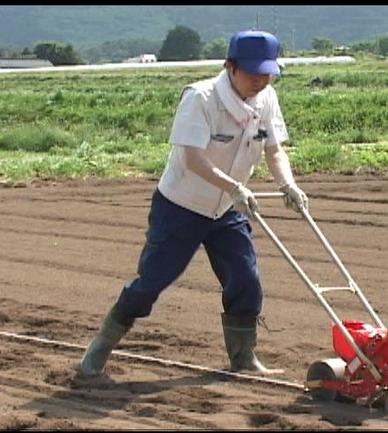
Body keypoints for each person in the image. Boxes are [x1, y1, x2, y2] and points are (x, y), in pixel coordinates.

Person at [78, 30, 309, 377]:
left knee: (246, 278)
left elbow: (274, 149)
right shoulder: (200, 98)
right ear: (230, 67)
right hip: (181, 207)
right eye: (253, 73)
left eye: (268, 73)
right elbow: (193, 159)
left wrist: (288, 184)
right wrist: (234, 187)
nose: (261, 80)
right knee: (152, 282)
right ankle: (100, 348)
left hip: (227, 209)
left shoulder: (267, 99)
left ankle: (243, 358)